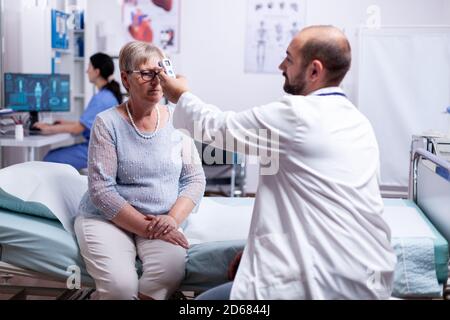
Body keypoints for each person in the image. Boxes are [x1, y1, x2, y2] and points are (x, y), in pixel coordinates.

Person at [158, 25, 397, 300]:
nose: (281, 65)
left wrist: (181, 95)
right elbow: (315, 203)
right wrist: (254, 251)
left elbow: (218, 127)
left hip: (318, 282)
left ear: (314, 71)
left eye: (289, 58)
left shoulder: (298, 114)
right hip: (367, 277)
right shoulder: (358, 122)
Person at [74, 41, 206, 300]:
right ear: (125, 78)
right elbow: (101, 190)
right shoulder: (107, 123)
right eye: (147, 74)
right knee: (120, 287)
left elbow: (194, 179)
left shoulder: (180, 120)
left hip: (162, 219)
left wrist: (171, 221)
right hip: (107, 218)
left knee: (168, 272)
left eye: (161, 72)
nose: (157, 81)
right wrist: (147, 229)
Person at [33, 53, 123, 170]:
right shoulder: (108, 95)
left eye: (89, 67)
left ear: (97, 71)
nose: (87, 71)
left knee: (49, 159)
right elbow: (86, 124)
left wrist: (47, 128)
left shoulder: (101, 99)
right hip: (102, 147)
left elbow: (78, 129)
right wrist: (64, 122)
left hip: (97, 150)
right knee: (52, 155)